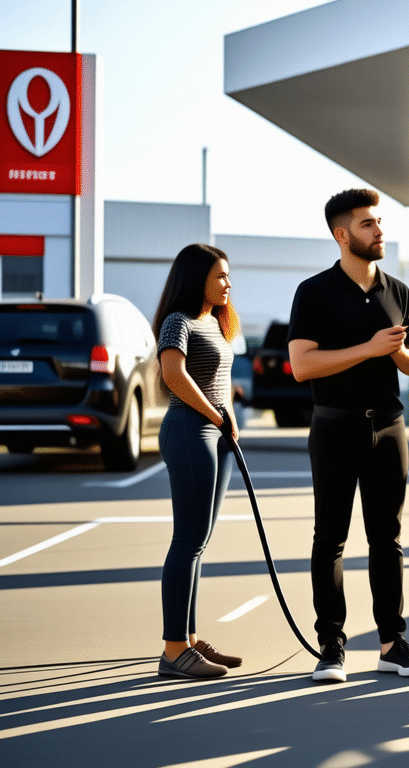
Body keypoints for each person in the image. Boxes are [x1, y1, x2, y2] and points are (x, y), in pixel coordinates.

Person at [287, 188, 409, 683]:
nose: (379, 231)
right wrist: (369, 348)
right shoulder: (314, 291)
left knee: (386, 538)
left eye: (380, 222)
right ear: (341, 233)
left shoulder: (398, 291)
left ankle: (393, 644)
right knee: (329, 539)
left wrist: (395, 352)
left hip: (389, 426)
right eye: (368, 224)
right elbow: (302, 366)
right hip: (334, 424)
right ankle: (331, 648)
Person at [153, 244, 243, 679]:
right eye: (220, 275)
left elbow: (215, 379)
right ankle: (173, 650)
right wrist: (216, 415)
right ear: (196, 278)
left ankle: (188, 639)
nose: (228, 283)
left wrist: (227, 420)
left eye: (228, 275)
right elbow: (174, 375)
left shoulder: (212, 321)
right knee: (187, 540)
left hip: (215, 435)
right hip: (190, 433)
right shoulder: (179, 321)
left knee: (199, 541)